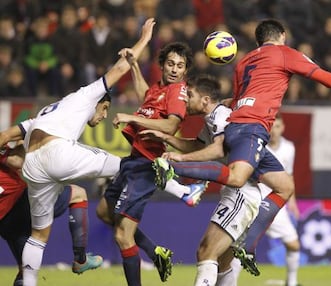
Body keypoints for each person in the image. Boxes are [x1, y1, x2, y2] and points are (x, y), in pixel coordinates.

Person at [153, 19, 331, 282]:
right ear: (282, 35)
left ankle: (247, 246)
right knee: (237, 177)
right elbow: (325, 79)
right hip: (252, 129)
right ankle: (176, 168)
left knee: (284, 185)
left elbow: (236, 101)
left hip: (239, 125)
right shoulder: (285, 53)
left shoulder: (244, 62)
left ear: (259, 40)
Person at [19, 18, 156, 286]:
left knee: (38, 235)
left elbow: (15, 132)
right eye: (105, 110)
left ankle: (29, 282)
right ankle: (183, 189)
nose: (103, 116)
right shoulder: (87, 95)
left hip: (32, 163)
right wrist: (143, 41)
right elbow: (119, 68)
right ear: (101, 102)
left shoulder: (51, 110)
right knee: (129, 164)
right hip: (55, 151)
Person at [94, 36, 203, 285]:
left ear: (185, 70)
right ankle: (155, 251)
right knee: (103, 211)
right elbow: (146, 95)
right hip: (132, 160)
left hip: (146, 164)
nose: (175, 70)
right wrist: (133, 64)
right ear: (162, 65)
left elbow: (171, 123)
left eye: (180, 66)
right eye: (171, 64)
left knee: (123, 236)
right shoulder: (159, 89)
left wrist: (133, 119)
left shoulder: (177, 91)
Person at [141, 75, 262, 286]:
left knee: (206, 251)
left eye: (190, 95)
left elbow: (218, 149)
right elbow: (199, 147)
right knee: (223, 262)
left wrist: (180, 159)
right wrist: (166, 138)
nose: (185, 99)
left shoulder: (222, 116)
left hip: (243, 190)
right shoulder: (212, 120)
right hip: (239, 190)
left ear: (205, 100)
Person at [0, 133, 101, 285]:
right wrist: (24, 142)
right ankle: (80, 258)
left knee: (26, 269)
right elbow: (17, 161)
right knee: (78, 194)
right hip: (19, 204)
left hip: (4, 221)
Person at [232, 113, 302, 286]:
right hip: (253, 200)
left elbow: (289, 176)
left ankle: (291, 282)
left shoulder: (289, 148)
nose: (274, 131)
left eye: (278, 127)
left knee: (294, 245)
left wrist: (292, 202)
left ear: (283, 128)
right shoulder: (256, 145)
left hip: (276, 203)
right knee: (239, 247)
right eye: (272, 127)